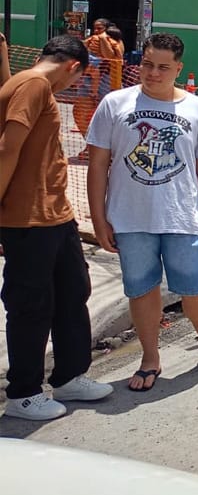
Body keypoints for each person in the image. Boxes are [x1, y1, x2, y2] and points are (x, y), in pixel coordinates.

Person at [86, 32, 198, 392]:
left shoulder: (196, 109)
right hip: (129, 218)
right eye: (147, 65)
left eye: (163, 67)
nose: (153, 73)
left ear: (178, 69)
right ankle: (150, 357)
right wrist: (97, 218)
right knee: (141, 288)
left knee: (194, 286)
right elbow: (97, 165)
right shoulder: (114, 104)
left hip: (181, 216)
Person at [1, 35, 114, 420]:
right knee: (31, 305)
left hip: (56, 215)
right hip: (28, 217)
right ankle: (24, 393)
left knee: (72, 292)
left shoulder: (25, 82)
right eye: (77, 79)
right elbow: (7, 147)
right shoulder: (33, 85)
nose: (73, 87)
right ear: (72, 66)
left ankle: (69, 376)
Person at [72, 19, 126, 161]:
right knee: (79, 112)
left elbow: (111, 57)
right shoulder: (92, 40)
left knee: (107, 116)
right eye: (95, 28)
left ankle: (108, 151)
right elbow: (82, 49)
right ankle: (91, 146)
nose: (96, 31)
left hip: (108, 80)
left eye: (100, 28)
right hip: (89, 76)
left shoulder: (115, 41)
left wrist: (103, 40)